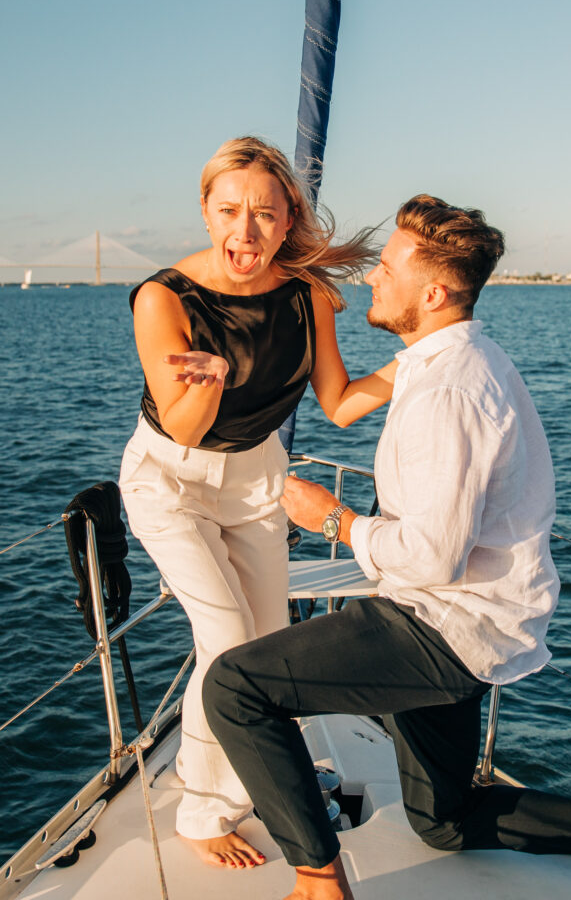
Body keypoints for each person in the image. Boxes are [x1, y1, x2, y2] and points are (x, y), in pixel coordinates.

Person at [203, 194, 571, 900]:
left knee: (234, 687)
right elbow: (354, 418)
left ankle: (316, 881)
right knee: (444, 821)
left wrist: (331, 518)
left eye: (386, 267)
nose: (373, 278)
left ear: (430, 292)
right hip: (471, 620)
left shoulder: (446, 394)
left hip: (440, 625)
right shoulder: (456, 360)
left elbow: (431, 559)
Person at [119, 136, 397, 869]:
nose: (247, 232)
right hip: (171, 478)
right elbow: (181, 427)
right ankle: (204, 813)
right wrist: (208, 378)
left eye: (265, 215)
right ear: (206, 214)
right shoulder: (162, 299)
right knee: (227, 642)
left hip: (254, 479)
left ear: (287, 220)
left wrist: (419, 362)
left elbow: (336, 403)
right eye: (230, 211)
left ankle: (248, 781)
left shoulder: (308, 293)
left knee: (267, 643)